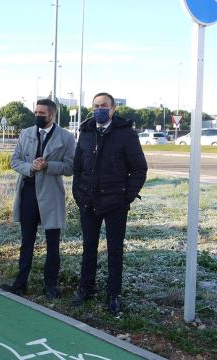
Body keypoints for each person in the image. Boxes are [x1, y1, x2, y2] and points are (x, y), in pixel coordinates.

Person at [71, 92, 148, 314]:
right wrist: (78, 193)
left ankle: (113, 294)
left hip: (115, 203)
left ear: (113, 109)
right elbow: (78, 167)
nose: (99, 109)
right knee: (88, 248)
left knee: (114, 250)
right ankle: (86, 288)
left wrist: (127, 196)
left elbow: (139, 169)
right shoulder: (85, 132)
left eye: (104, 105)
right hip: (88, 201)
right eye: (96, 105)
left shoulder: (126, 134)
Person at [0, 98, 75, 299]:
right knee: (27, 240)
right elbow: (14, 161)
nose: (38, 116)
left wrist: (48, 166)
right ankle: (20, 283)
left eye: (42, 113)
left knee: (53, 243)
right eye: (36, 112)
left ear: (52, 115)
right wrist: (30, 167)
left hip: (51, 195)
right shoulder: (26, 134)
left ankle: (50, 285)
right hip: (28, 194)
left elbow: (70, 167)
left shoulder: (66, 137)